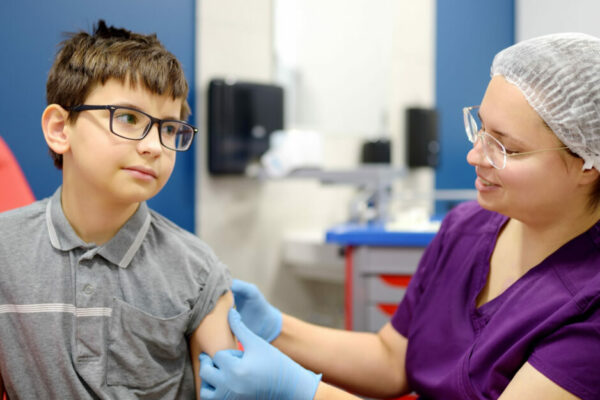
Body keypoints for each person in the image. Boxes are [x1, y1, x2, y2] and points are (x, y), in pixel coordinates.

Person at [199, 32, 600, 400]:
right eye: (480, 128)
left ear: (587, 164)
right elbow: (392, 358)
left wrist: (298, 391)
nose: (475, 155)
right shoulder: (466, 229)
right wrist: (276, 328)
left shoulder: (590, 304)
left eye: (505, 147)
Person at [0, 20, 236, 399]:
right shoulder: (5, 251)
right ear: (61, 129)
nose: (155, 147)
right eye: (128, 118)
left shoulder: (198, 272)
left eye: (169, 128)